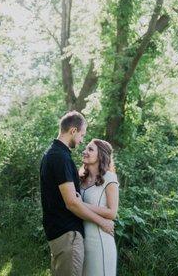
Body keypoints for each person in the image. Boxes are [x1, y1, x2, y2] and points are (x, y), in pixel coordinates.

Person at [40, 111, 114, 276]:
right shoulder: (61, 157)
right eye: (82, 134)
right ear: (73, 131)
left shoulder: (51, 153)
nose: (82, 140)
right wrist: (102, 221)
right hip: (67, 234)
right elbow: (71, 203)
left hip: (58, 232)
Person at [79, 139, 119, 276]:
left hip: (100, 241)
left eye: (90, 149)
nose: (85, 151)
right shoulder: (81, 178)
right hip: (80, 241)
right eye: (85, 148)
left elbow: (112, 213)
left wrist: (80, 204)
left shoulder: (109, 178)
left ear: (101, 155)